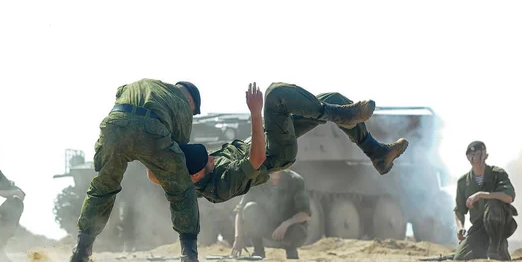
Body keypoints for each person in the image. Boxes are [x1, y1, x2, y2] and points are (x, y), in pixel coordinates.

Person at [149, 82, 408, 205]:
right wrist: (254, 112)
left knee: (333, 98)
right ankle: (346, 116)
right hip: (274, 153)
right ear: (198, 174)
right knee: (275, 95)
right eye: (209, 162)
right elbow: (257, 160)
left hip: (262, 139)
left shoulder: (183, 176)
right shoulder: (222, 183)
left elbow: (153, 174)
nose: (213, 158)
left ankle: (377, 153)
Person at [70, 79, 204, 262]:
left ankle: (81, 250)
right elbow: (180, 149)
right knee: (182, 190)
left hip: (114, 125)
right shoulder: (181, 103)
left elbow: (119, 96)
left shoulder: (138, 86)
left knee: (103, 186)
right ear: (191, 102)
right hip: (152, 130)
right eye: (193, 111)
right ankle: (189, 255)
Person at [453, 141, 517, 261]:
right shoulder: (463, 182)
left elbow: (509, 197)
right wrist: (460, 227)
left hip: (500, 225)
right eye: (470, 155)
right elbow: (459, 210)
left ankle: (495, 247)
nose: (474, 158)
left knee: (493, 204)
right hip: (479, 228)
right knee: (460, 257)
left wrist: (481, 195)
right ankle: (486, 249)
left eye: (477, 154)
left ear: (485, 156)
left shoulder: (497, 174)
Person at [231, 169, 310, 259]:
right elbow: (240, 211)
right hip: (267, 226)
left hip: (288, 230)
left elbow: (305, 213)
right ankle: (258, 251)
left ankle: (291, 251)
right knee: (250, 208)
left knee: (298, 230)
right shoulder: (256, 179)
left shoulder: (295, 180)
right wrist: (238, 238)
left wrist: (286, 224)